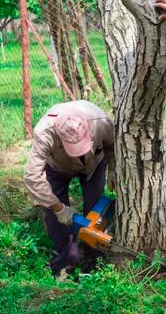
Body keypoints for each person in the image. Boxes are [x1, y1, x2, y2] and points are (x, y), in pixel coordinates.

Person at [24, 100, 115, 276]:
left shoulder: (100, 121)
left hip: (94, 163)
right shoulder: (45, 133)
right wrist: (60, 209)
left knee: (95, 210)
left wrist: (114, 169)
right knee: (55, 216)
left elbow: (112, 145)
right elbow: (32, 176)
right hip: (57, 167)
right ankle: (64, 261)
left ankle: (94, 260)